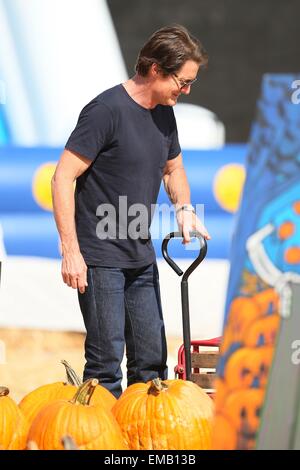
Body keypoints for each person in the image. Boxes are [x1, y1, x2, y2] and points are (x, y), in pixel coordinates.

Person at [51, 24, 211, 398]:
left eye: (191, 83)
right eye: (182, 81)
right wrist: (71, 252)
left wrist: (184, 207)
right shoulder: (105, 111)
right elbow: (62, 179)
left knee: (151, 363)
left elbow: (173, 169)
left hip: (140, 255)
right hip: (100, 258)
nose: (185, 91)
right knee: (106, 364)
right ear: (156, 68)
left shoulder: (164, 113)